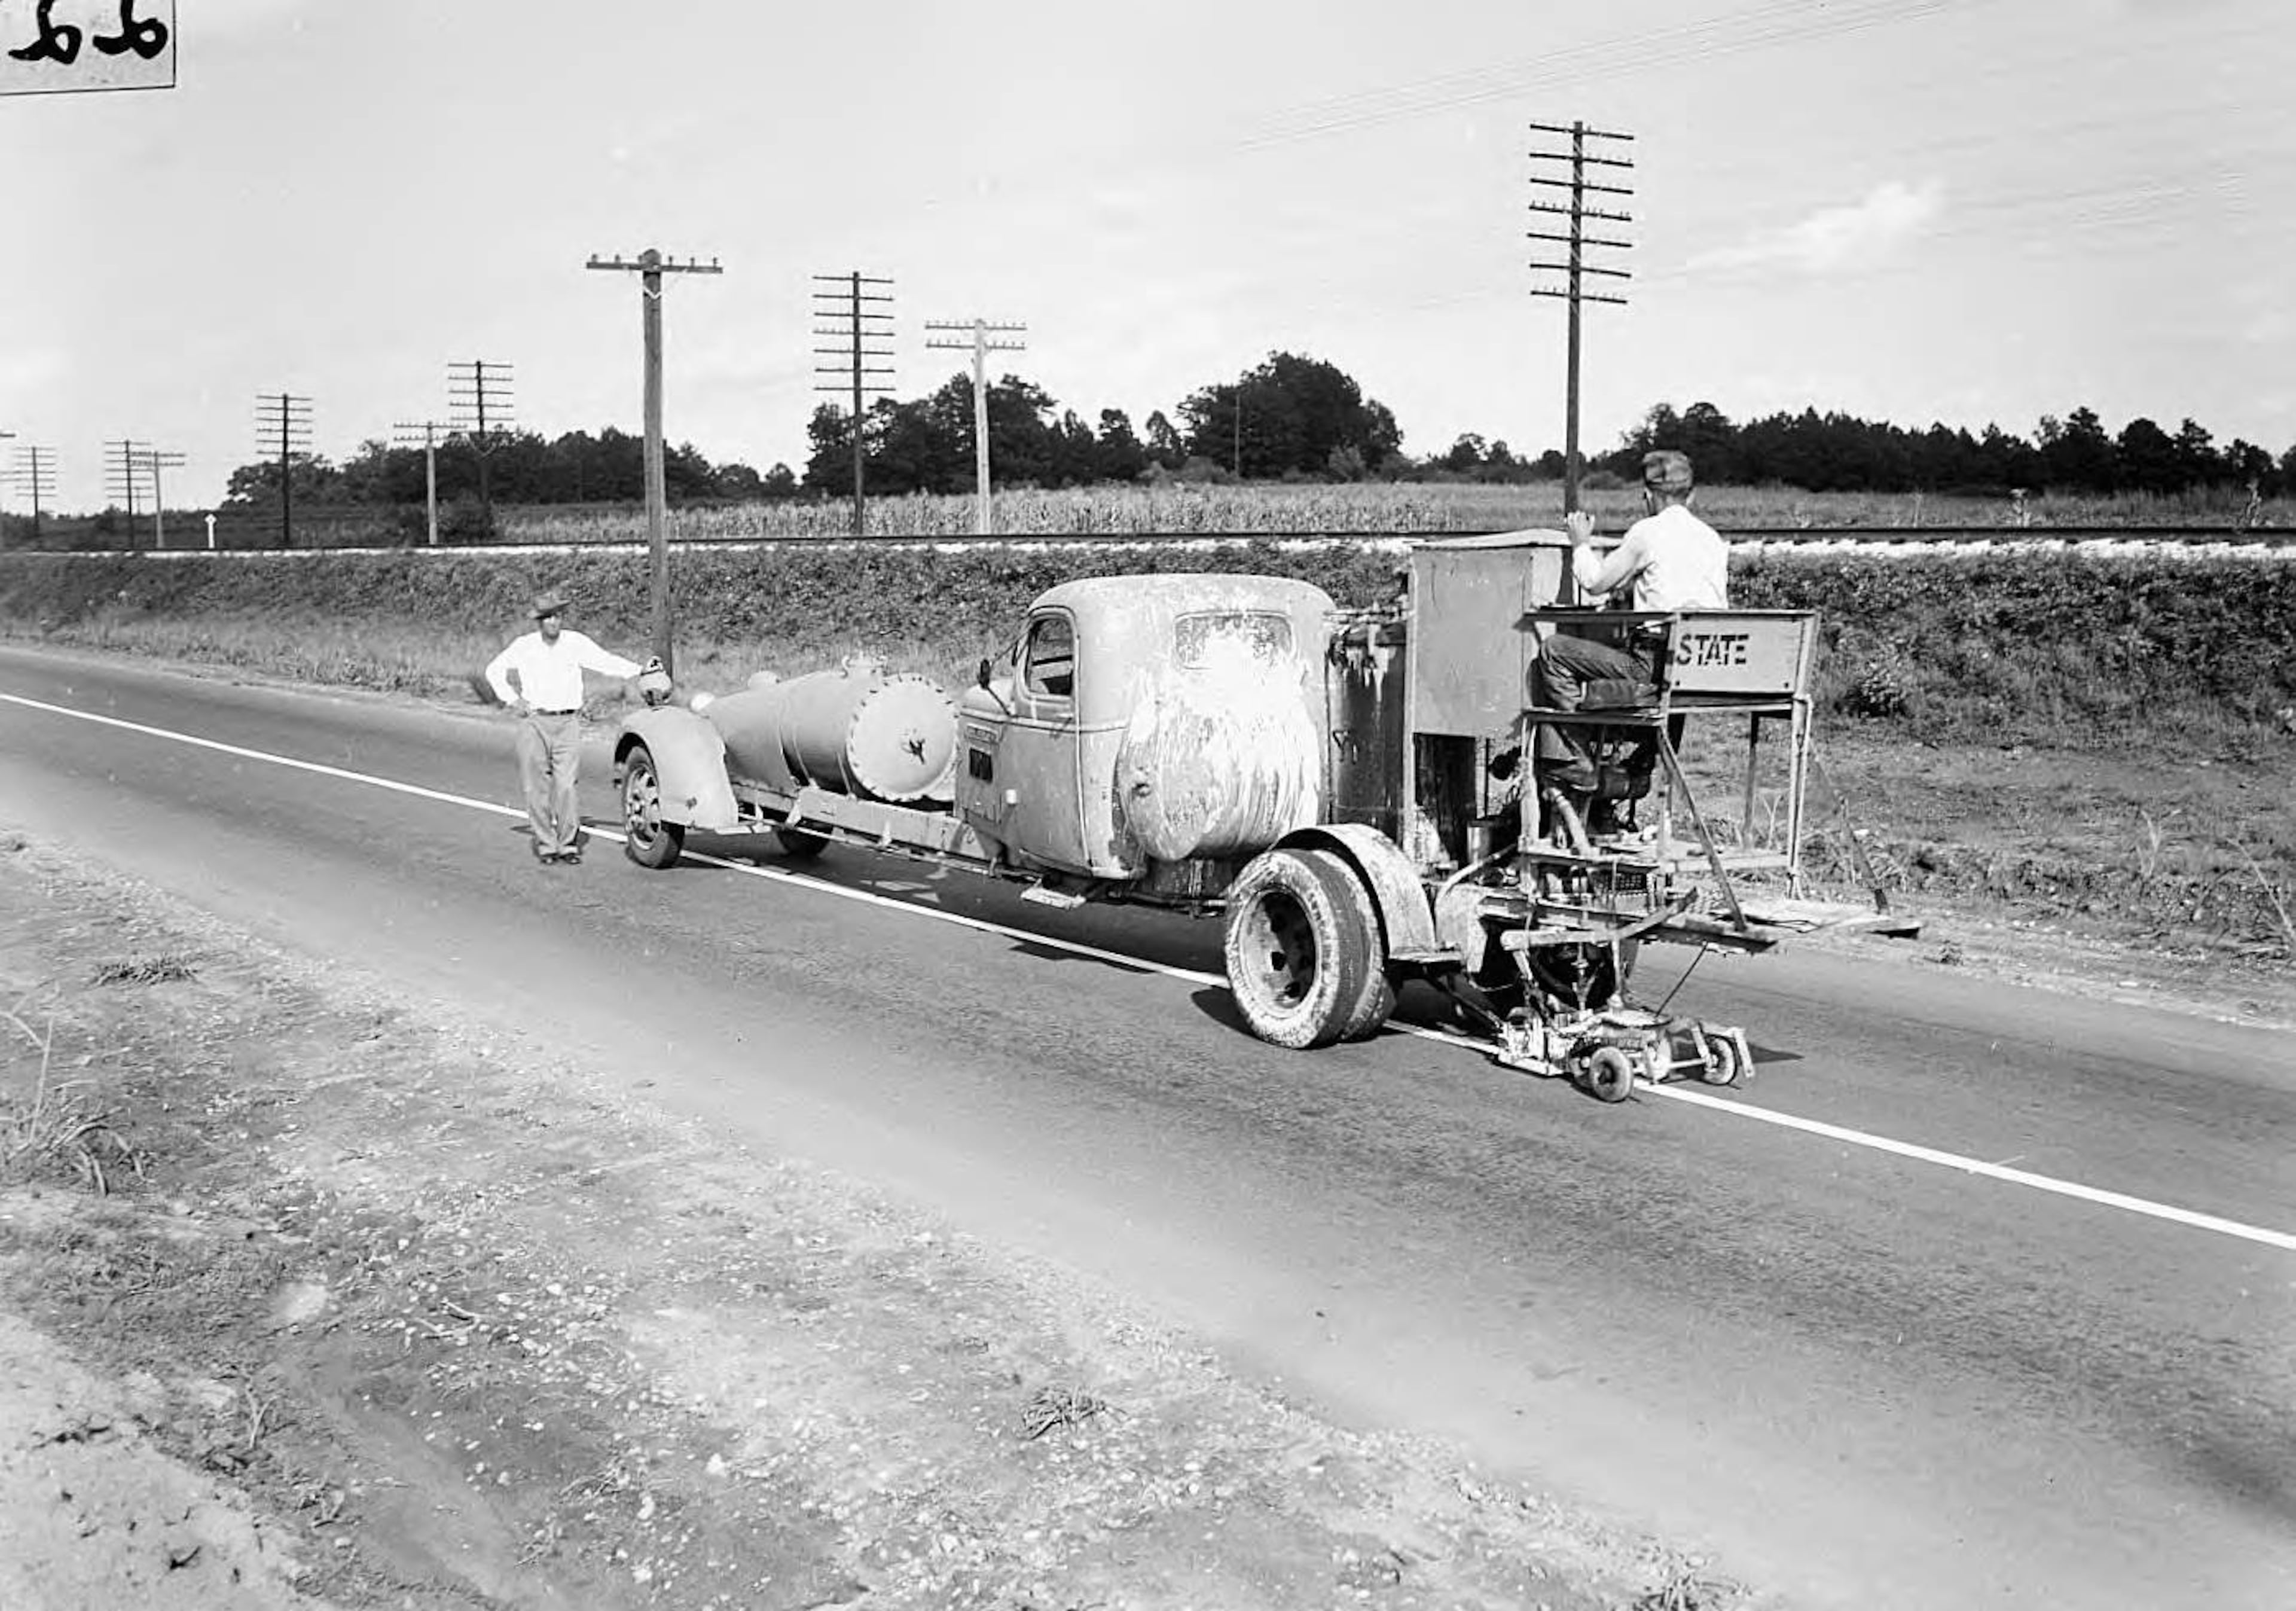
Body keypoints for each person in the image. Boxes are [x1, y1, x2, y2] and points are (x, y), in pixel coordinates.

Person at [1531, 449, 1728, 811]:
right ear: (1692, 495)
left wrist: (1580, 544)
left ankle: (1578, 757)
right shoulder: (1712, 540)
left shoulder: (1647, 533)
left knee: (1554, 650)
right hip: (1700, 667)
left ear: (1648, 496)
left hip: (1652, 665)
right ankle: (1636, 764)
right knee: (1655, 672)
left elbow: (1593, 583)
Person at [484, 590, 647, 865]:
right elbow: (494, 671)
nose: (553, 622)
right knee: (536, 787)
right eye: (547, 618)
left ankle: (568, 843)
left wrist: (641, 670)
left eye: (557, 616)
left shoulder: (575, 643)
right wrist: (514, 700)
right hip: (535, 721)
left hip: (567, 722)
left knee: (567, 786)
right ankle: (547, 844)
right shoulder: (525, 645)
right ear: (539, 621)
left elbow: (605, 661)